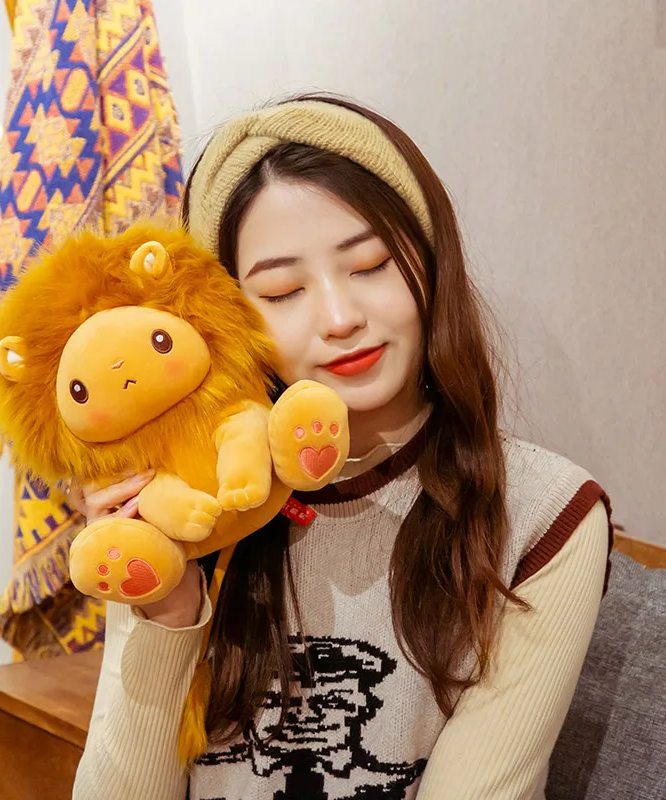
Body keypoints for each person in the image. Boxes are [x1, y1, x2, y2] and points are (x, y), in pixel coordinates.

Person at [70, 94, 611, 800]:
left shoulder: (545, 517)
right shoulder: (190, 503)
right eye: (281, 290)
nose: (338, 317)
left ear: (429, 262)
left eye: (370, 265)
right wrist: (166, 609)